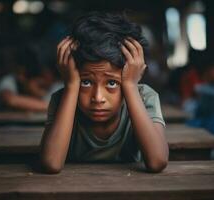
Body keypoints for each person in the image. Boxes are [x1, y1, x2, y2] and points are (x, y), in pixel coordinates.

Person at [40, 12, 168, 173]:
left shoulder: (144, 97)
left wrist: (129, 85)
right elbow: (52, 163)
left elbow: (157, 161)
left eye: (112, 83)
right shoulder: (63, 98)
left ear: (132, 74)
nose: (98, 98)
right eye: (86, 82)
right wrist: (72, 85)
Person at [0, 46, 51, 112]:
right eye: (37, 84)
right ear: (22, 75)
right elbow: (10, 100)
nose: (39, 89)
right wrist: (50, 106)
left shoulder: (26, 88)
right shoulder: (8, 80)